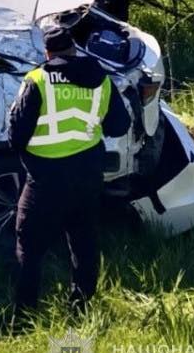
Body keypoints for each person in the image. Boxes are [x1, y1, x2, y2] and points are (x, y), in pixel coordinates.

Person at [8, 26, 131, 318]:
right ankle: (81, 308)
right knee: (84, 243)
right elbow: (119, 126)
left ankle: (24, 316)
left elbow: (16, 136)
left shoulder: (37, 80)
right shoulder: (100, 81)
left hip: (45, 180)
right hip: (87, 177)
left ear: (47, 53)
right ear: (74, 50)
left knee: (29, 247)